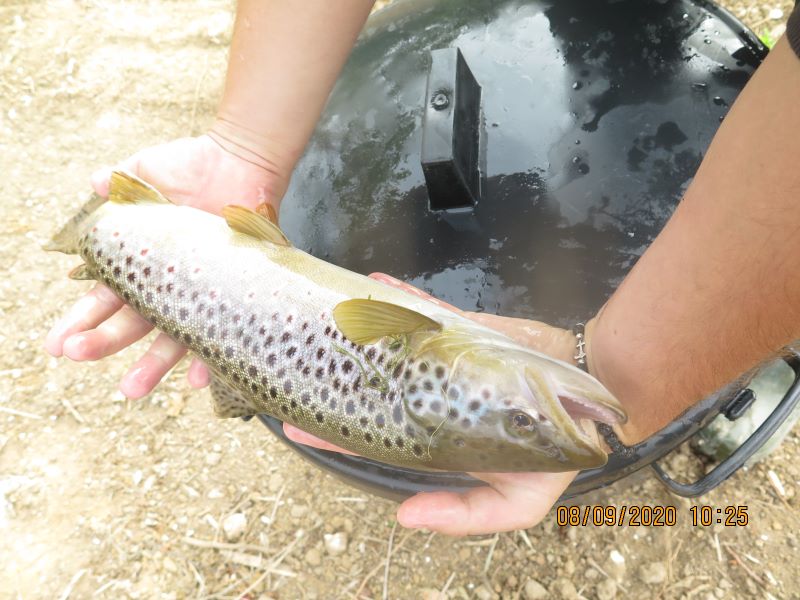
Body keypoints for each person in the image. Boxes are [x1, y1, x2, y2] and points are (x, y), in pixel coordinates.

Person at [45, 1, 800, 536]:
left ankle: (104, 232)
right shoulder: (448, 361)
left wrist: (626, 366)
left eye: (517, 421)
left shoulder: (431, 358)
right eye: (522, 422)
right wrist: (245, 149)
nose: (546, 421)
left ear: (438, 370)